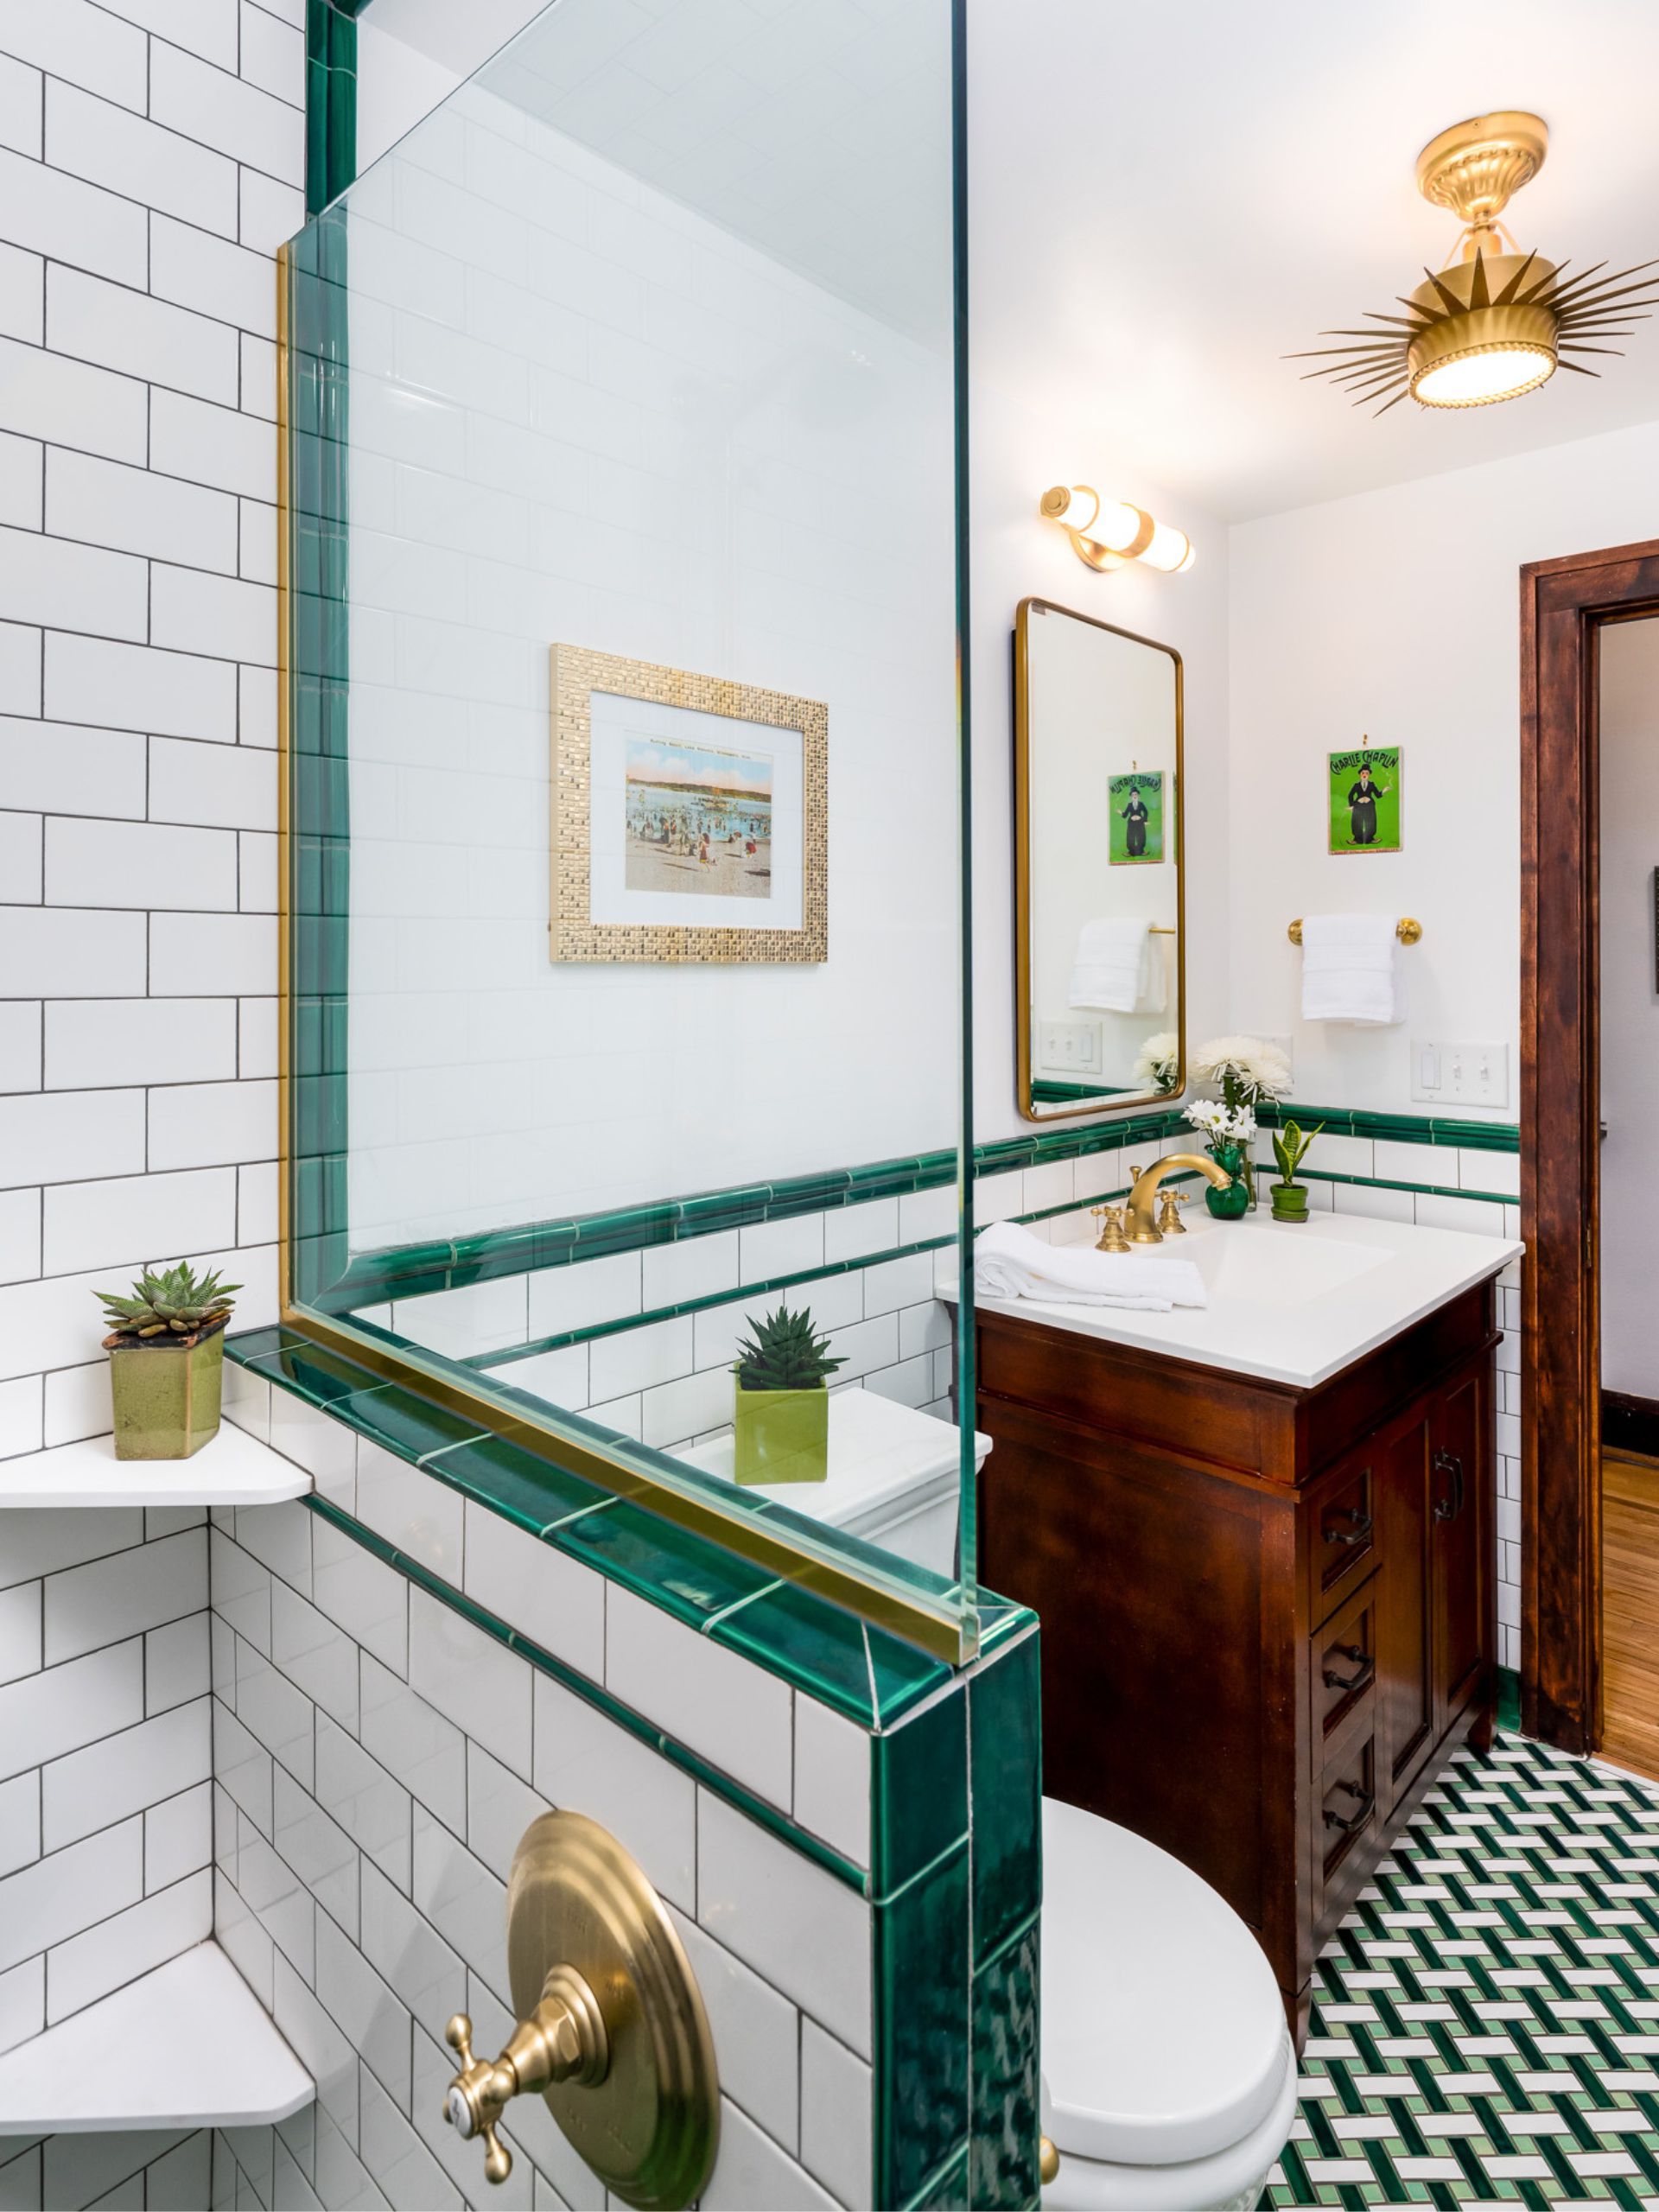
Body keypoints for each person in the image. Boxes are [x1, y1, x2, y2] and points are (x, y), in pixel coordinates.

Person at [1345, 760, 1389, 846]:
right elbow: (1350, 795)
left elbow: (1377, 795)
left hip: (1370, 806)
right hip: (1358, 806)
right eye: (1363, 773)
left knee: (1371, 821)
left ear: (1369, 775)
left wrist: (1384, 790)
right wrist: (1351, 806)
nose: (1364, 775)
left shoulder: (1372, 784)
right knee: (1357, 821)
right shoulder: (1356, 785)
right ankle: (1357, 840)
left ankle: (1370, 839)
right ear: (1360, 774)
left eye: (1367, 773)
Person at [1120, 783, 1149, 860]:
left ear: (1138, 795)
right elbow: (1125, 815)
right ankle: (1130, 852)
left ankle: (1141, 851)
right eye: (1133, 795)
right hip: (1131, 824)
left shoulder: (1141, 804)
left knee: (1141, 836)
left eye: (1135, 794)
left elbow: (1146, 812)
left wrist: (1145, 820)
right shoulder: (1129, 805)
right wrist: (1120, 812)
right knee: (1131, 837)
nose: (1134, 796)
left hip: (1140, 823)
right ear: (1131, 796)